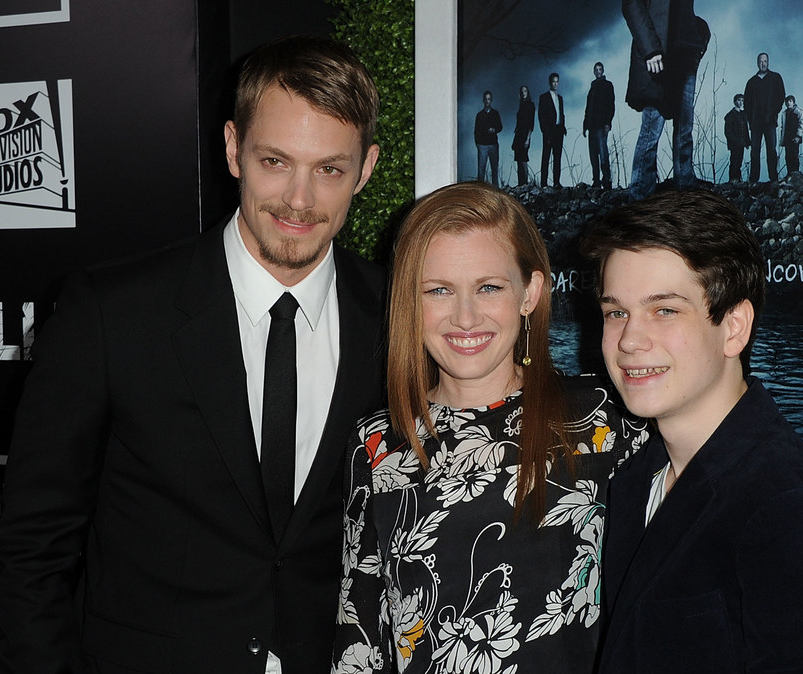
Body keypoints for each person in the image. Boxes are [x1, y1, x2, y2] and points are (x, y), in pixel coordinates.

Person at [0, 35, 387, 674]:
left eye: (330, 170)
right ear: (233, 148)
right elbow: (35, 545)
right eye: (276, 161)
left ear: (366, 169)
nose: (299, 200)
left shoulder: (394, 315)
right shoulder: (112, 312)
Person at [332, 182, 648, 674]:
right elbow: (360, 635)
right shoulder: (377, 444)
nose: (464, 316)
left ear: (530, 293)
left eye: (488, 287)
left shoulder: (603, 419)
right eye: (438, 290)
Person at [581, 189, 803, 673]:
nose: (629, 340)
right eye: (616, 312)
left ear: (734, 327)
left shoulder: (794, 511)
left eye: (664, 310)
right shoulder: (636, 477)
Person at [623, 0, 710, 198]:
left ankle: (685, 186)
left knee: (685, 125)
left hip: (687, 54)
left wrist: (700, 38)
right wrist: (650, 49)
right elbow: (631, 5)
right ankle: (640, 196)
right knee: (652, 126)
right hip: (661, 53)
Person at [743, 52, 786, 182]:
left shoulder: (775, 78)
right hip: (756, 123)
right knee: (755, 152)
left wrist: (774, 113)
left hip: (770, 121)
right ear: (757, 63)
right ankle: (753, 180)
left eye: (765, 61)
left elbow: (781, 96)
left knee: (771, 151)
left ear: (768, 62)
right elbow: (747, 103)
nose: (763, 64)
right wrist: (751, 119)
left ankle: (774, 178)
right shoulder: (751, 82)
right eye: (760, 62)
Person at [583, 61, 616, 189]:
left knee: (603, 153)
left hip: (601, 125)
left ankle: (606, 180)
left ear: (603, 71)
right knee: (593, 155)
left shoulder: (607, 85)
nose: (598, 71)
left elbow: (611, 105)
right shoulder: (592, 87)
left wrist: (608, 122)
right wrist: (585, 125)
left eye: (600, 69)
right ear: (594, 71)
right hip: (592, 125)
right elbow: (588, 107)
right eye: (596, 69)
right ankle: (596, 180)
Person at [538, 72, 567, 188]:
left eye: (557, 81)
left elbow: (561, 113)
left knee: (557, 157)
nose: (555, 84)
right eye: (553, 82)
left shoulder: (560, 98)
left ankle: (556, 182)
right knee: (546, 156)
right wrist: (546, 131)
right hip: (549, 131)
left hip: (559, 130)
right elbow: (541, 116)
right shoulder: (544, 97)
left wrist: (563, 127)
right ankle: (543, 183)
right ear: (550, 83)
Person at [474, 90, 502, 186]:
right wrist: (478, 144)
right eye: (485, 99)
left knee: (494, 170)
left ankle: (496, 192)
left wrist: (494, 130)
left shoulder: (495, 113)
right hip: (482, 146)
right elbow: (476, 131)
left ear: (491, 100)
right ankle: (479, 192)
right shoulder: (479, 115)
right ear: (483, 100)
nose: (487, 101)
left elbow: (500, 127)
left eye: (489, 99)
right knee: (481, 171)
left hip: (493, 145)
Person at [723, 93, 750, 182]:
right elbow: (728, 132)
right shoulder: (730, 115)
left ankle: (738, 180)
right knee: (734, 162)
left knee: (739, 162)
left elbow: (745, 129)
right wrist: (736, 141)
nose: (741, 102)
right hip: (735, 143)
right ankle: (733, 180)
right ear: (735, 102)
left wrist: (746, 142)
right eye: (739, 100)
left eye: (742, 100)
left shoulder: (744, 114)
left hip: (742, 143)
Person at [513, 85, 535, 185]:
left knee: (523, 159)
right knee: (518, 158)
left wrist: (528, 138)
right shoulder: (521, 105)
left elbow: (531, 123)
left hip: (525, 135)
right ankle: (520, 183)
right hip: (518, 135)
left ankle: (525, 183)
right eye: (522, 91)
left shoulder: (530, 105)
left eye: (525, 91)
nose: (523, 93)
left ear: (528, 92)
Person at [781, 94, 803, 175]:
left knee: (794, 155)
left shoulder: (798, 111)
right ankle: (789, 173)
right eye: (787, 101)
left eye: (790, 101)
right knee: (788, 156)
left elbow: (802, 123)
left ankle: (795, 173)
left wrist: (798, 135)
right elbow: (783, 127)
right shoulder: (785, 113)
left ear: (793, 102)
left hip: (795, 137)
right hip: (787, 137)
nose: (788, 103)